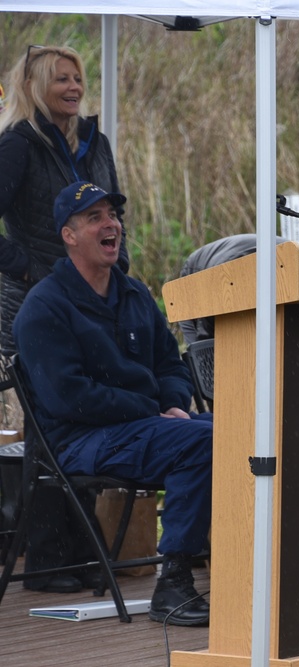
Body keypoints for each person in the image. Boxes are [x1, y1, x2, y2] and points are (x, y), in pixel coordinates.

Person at [13, 181, 213, 627]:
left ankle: (245, 568)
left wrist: (176, 404)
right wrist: (149, 409)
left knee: (246, 430)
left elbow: (170, 366)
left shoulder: (136, 294)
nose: (112, 225)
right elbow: (69, 398)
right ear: (69, 236)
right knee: (206, 442)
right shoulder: (44, 306)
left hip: (145, 426)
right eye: (95, 217)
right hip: (79, 440)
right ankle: (174, 584)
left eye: (113, 215)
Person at [0, 44, 130, 594]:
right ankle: (50, 557)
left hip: (97, 302)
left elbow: (116, 213)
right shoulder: (18, 145)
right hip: (35, 305)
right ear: (35, 85)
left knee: (90, 417)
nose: (75, 87)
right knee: (51, 425)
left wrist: (120, 272)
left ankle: (79, 550)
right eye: (62, 79)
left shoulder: (95, 141)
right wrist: (27, 269)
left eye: (78, 78)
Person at [178, 233, 289, 346]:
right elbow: (205, 337)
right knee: (198, 347)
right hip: (198, 271)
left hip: (278, 258)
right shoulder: (222, 281)